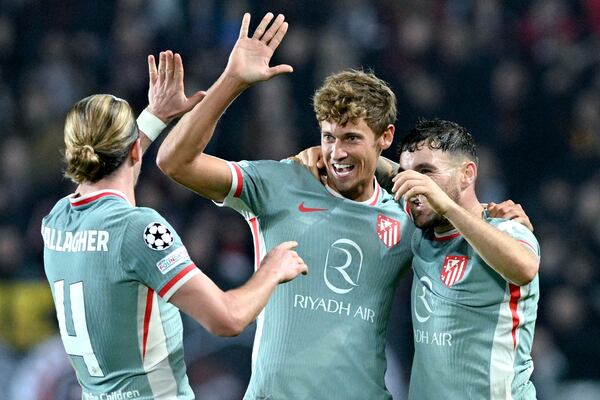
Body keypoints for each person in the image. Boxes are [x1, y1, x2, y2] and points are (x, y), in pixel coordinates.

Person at [157, 12, 416, 399]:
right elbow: (174, 162)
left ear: (385, 137)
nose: (337, 152)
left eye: (351, 138)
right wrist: (232, 81)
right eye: (328, 137)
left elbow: (465, 225)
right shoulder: (280, 183)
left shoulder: (406, 218)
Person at [41, 50, 307, 399]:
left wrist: (155, 116)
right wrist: (271, 270)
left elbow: (113, 173)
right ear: (135, 152)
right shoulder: (137, 229)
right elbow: (226, 319)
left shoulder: (56, 221)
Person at [392, 118, 540, 399]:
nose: (415, 185)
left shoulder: (506, 228)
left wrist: (447, 206)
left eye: (426, 172)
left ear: (467, 174)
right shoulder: (420, 232)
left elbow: (525, 268)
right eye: (407, 173)